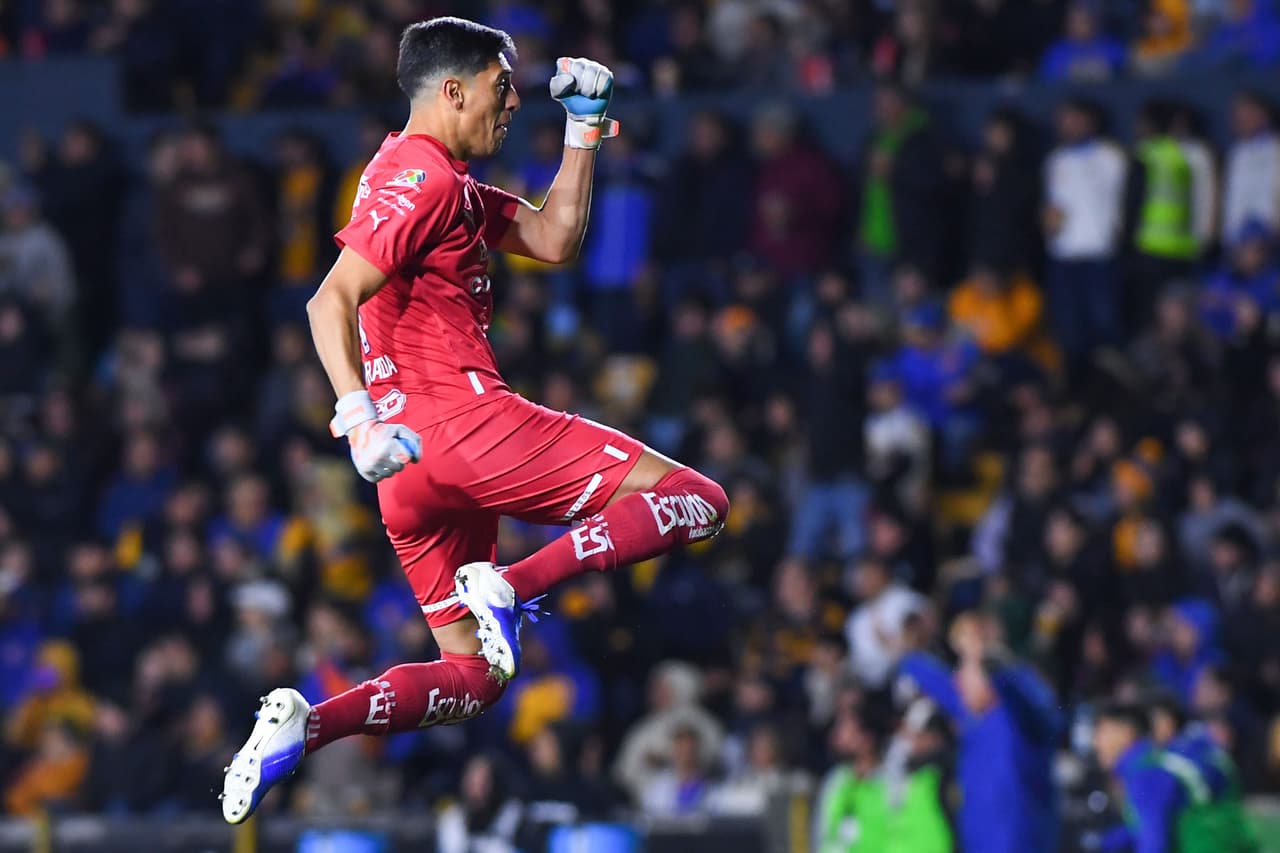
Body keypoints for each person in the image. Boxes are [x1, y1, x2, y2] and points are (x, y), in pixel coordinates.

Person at [220, 17, 729, 824]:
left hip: (412, 476)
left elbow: (555, 237)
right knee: (700, 498)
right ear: (452, 90)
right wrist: (356, 419)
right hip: (459, 428)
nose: (514, 102)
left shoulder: (432, 180)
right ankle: (513, 584)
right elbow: (328, 300)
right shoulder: (422, 180)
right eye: (502, 87)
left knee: (474, 680)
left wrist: (585, 128)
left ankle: (306, 726)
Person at [898, 610, 1062, 853]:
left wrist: (992, 661)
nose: (957, 678)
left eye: (965, 668)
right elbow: (925, 673)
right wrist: (912, 647)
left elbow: (1036, 702)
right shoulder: (971, 717)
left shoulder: (1022, 720)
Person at [1092, 700, 1258, 853]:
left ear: (1125, 733)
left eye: (1100, 732)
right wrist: (1101, 843)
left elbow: (1154, 846)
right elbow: (1141, 829)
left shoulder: (1147, 776)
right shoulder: (1156, 760)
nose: (1096, 743)